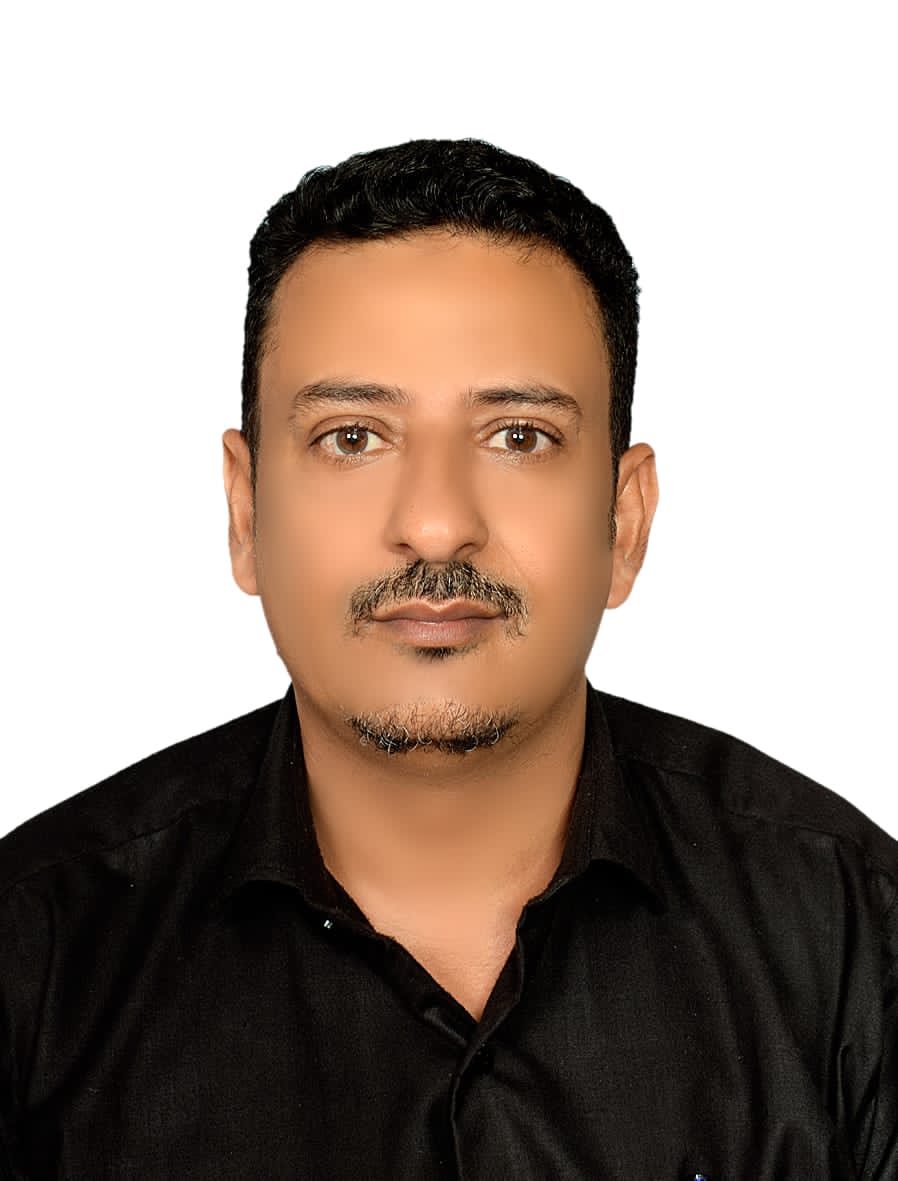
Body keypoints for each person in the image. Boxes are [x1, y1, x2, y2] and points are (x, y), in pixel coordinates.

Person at [1, 139, 894, 1180]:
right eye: (351, 436)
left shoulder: (854, 942)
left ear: (624, 520)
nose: (433, 523)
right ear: (246, 513)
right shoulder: (36, 959)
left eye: (519, 436)